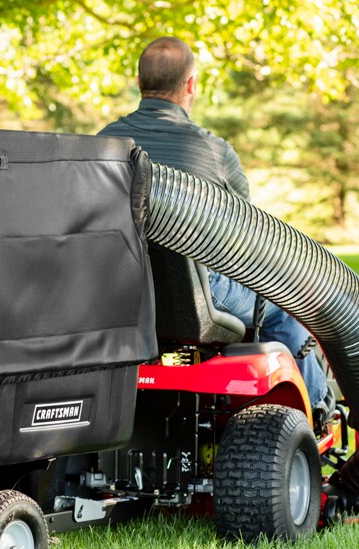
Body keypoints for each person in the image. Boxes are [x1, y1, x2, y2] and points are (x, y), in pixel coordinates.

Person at [98, 36, 332, 418]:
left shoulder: (104, 144)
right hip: (197, 298)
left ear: (140, 81)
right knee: (286, 307)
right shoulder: (212, 151)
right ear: (191, 84)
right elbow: (247, 235)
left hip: (121, 297)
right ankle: (316, 412)